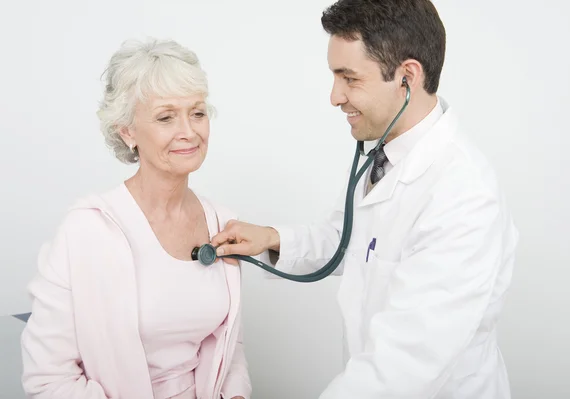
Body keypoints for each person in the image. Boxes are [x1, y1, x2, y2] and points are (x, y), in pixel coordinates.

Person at [210, 0, 519, 398]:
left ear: (407, 76)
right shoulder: (384, 154)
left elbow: (406, 361)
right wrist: (272, 239)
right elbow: (350, 236)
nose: (335, 97)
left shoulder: (464, 195)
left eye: (349, 78)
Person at [20, 38, 251, 399]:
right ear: (127, 132)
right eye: (165, 117)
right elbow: (49, 379)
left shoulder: (223, 222)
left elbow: (228, 347)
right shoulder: (86, 229)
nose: (189, 131)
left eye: (198, 112)